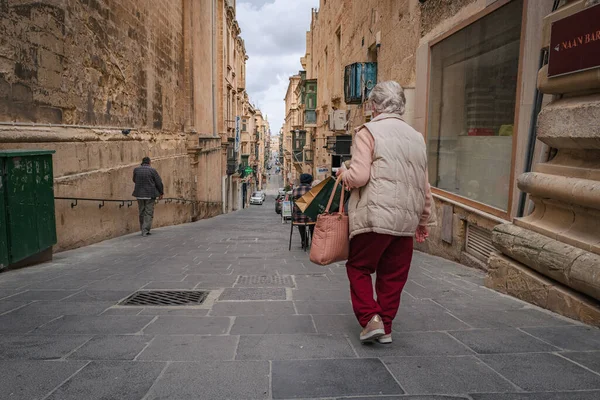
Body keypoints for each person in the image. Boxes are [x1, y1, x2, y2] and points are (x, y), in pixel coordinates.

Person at [338, 81, 433, 344]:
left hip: (375, 217)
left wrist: (343, 173)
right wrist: (423, 221)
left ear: (373, 105)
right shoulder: (417, 138)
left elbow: (359, 176)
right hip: (406, 220)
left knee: (358, 266)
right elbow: (424, 186)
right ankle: (386, 328)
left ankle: (370, 319)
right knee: (393, 274)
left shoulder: (367, 131)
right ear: (401, 105)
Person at [132, 157, 164, 236]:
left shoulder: (136, 170)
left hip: (139, 195)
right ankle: (145, 230)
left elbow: (134, 180)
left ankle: (142, 228)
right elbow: (158, 182)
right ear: (149, 162)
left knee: (141, 212)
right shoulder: (152, 170)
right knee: (148, 213)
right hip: (150, 195)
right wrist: (161, 193)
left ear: (142, 162)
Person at [292, 173, 315, 248]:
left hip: (298, 217)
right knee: (313, 223)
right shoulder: (313, 190)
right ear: (310, 181)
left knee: (301, 222)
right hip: (311, 217)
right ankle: (313, 241)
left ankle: (304, 241)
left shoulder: (295, 191)